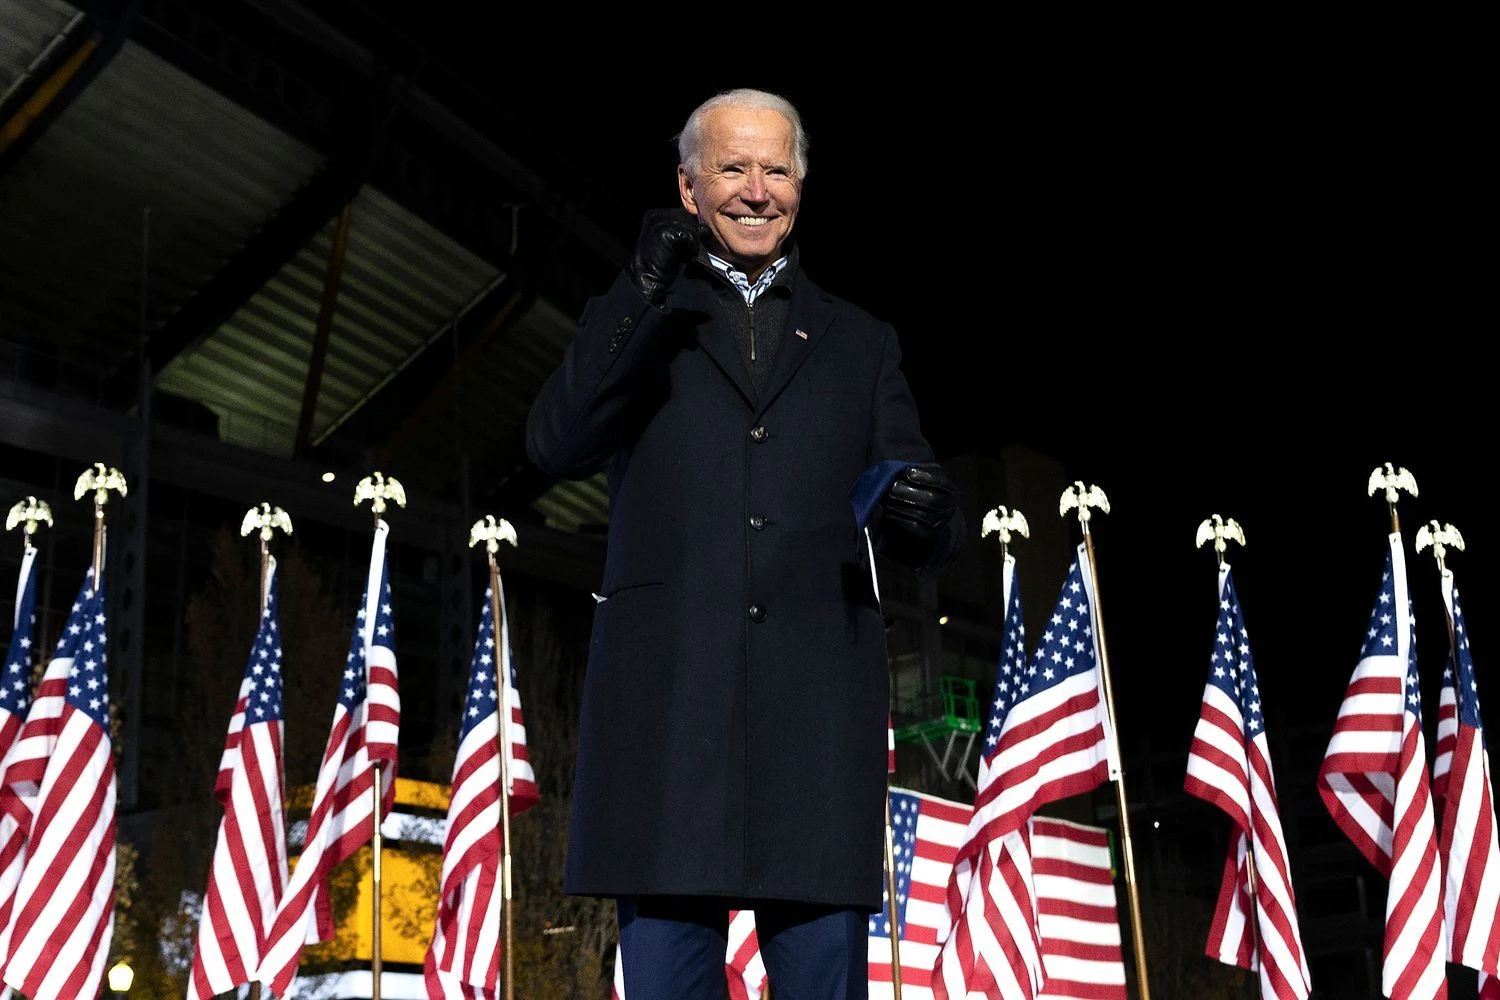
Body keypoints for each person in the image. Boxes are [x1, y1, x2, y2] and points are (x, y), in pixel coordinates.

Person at [525, 87, 965, 1000]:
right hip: (668, 732)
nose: (756, 189)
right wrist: (639, 287)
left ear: (802, 184)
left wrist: (925, 515)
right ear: (688, 189)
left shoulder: (860, 340)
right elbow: (552, 443)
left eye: (777, 168)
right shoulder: (640, 317)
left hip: (815, 741)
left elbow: (929, 519)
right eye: (732, 167)